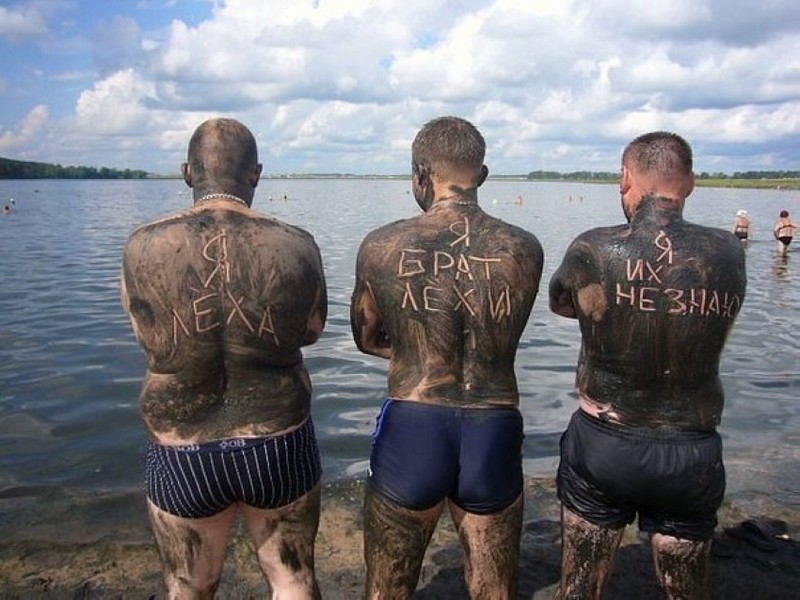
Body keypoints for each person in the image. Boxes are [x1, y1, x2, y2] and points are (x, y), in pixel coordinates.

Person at [120, 118, 327, 598]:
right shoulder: (296, 243)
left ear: (186, 172)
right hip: (277, 440)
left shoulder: (142, 245)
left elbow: (147, 336)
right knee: (293, 580)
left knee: (188, 586)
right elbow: (312, 331)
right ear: (256, 174)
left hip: (181, 445)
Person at [350, 116, 544, 598]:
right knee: (494, 588)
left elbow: (365, 337)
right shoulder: (524, 248)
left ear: (420, 174)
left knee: (387, 588)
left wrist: (413, 349)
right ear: (483, 175)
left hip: (415, 421)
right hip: (494, 424)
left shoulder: (381, 245)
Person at [548, 131, 747, 599]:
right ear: (690, 183)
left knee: (579, 588)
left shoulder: (592, 248)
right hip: (691, 449)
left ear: (625, 178)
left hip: (605, 443)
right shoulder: (728, 252)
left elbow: (562, 303)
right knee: (685, 590)